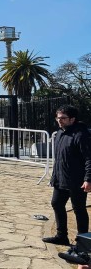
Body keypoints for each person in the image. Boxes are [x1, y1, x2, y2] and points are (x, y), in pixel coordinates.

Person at [43, 104, 91, 246]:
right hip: (60, 179)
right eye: (58, 118)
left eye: (63, 118)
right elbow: (60, 158)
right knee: (56, 203)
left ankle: (82, 241)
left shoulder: (82, 135)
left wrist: (88, 179)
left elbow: (89, 158)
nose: (60, 120)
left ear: (72, 119)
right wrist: (54, 177)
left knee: (79, 209)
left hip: (77, 180)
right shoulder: (59, 134)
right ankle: (61, 236)